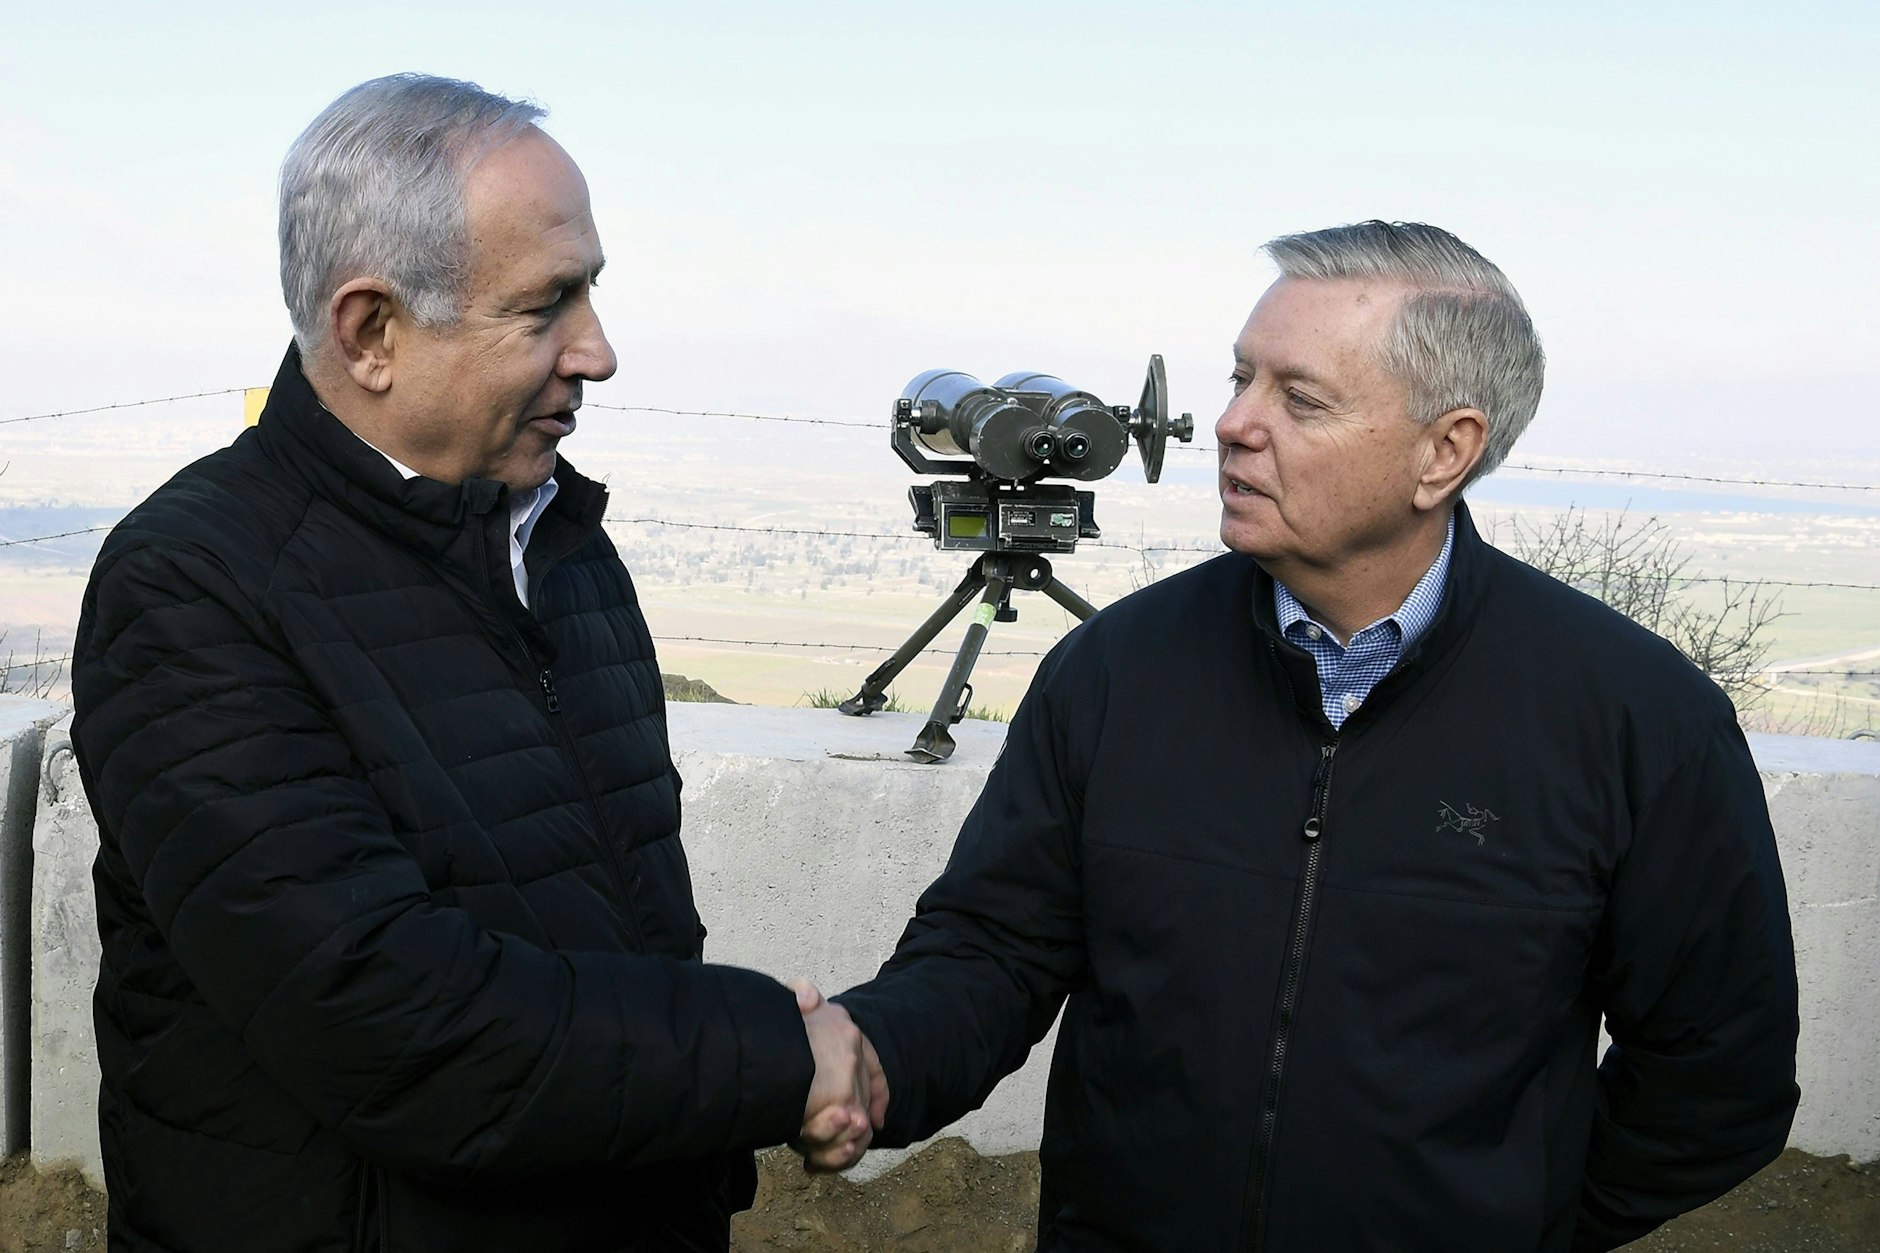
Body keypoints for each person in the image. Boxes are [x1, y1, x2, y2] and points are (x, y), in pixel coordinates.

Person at [828, 221, 1800, 1252]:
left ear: (1444, 451)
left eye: (1299, 399)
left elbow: (1715, 1069)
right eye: (1241, 379)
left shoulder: (1636, 718)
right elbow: (992, 949)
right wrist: (868, 1059)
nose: (1234, 425)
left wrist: (1523, 1217)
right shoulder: (1115, 671)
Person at [70, 73, 880, 1253]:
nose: (596, 352)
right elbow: (387, 1019)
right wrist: (767, 1053)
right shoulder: (191, 586)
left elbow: (625, 920)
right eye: (546, 305)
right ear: (372, 332)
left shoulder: (561, 547)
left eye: (591, 291)